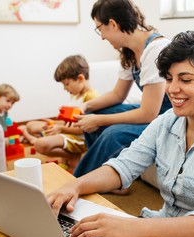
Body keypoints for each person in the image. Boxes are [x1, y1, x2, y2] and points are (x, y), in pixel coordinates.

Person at [47, 31, 194, 237]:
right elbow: (124, 166)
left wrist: (133, 228)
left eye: (185, 80)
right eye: (169, 78)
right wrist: (75, 185)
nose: (172, 89)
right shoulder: (167, 121)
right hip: (166, 229)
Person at [72, 0, 172, 179]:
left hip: (171, 116)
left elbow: (149, 113)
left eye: (99, 28)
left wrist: (100, 120)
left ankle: (79, 182)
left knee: (113, 133)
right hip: (154, 112)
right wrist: (87, 108)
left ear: (113, 24)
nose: (101, 36)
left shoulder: (155, 49)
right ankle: (105, 176)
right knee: (98, 111)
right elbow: (118, 94)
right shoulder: (130, 52)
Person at [26, 55, 100, 172]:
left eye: (66, 84)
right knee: (30, 125)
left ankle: (71, 156)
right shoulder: (75, 94)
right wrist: (55, 123)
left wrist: (60, 128)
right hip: (68, 130)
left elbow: (84, 129)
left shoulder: (91, 98)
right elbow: (72, 120)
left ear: (80, 79)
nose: (64, 89)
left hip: (81, 138)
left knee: (39, 144)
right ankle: (68, 155)